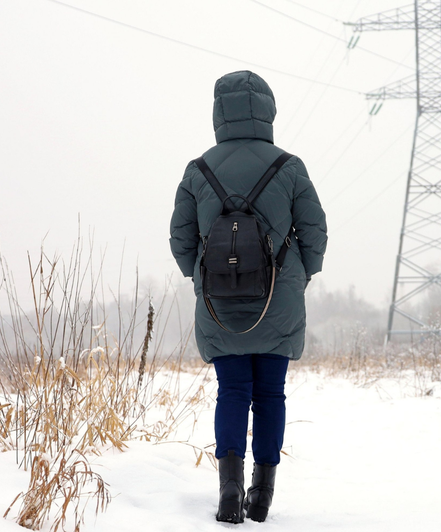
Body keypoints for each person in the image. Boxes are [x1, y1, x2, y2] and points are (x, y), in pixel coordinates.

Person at [169, 70, 327, 523]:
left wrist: (202, 278)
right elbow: (314, 230)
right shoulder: (289, 166)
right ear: (268, 111)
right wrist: (300, 276)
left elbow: (181, 238)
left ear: (219, 113)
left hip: (219, 304)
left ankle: (228, 490)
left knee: (232, 391)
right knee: (271, 395)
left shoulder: (198, 170)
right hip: (278, 299)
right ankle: (261, 496)